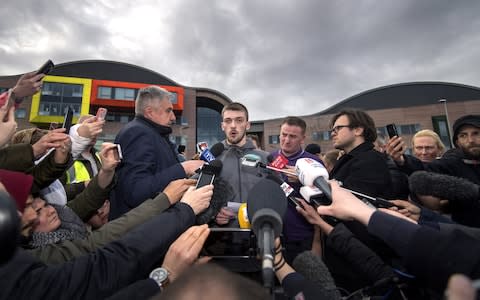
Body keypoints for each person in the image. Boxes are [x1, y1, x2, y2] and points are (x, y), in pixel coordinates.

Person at [110, 86, 204, 219]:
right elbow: (135, 191)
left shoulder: (155, 134)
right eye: (168, 111)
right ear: (149, 112)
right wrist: (184, 168)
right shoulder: (138, 133)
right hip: (139, 232)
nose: (173, 117)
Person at [270, 116, 323, 263]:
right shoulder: (269, 158)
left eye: (292, 136)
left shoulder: (313, 162)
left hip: (302, 235)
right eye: (284, 135)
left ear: (302, 138)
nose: (286, 140)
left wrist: (304, 179)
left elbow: (325, 199)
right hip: (274, 232)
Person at [214, 102, 270, 225]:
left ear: (247, 125)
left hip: (257, 232)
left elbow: (274, 195)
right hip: (222, 236)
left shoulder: (265, 159)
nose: (233, 126)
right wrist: (213, 213)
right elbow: (200, 195)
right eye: (228, 121)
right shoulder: (213, 159)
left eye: (239, 120)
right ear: (222, 126)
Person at [386, 114, 480, 185]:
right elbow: (423, 168)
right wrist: (401, 160)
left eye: (476, 133)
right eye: (463, 135)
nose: (470, 140)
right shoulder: (453, 163)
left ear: (440, 149)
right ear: (457, 142)